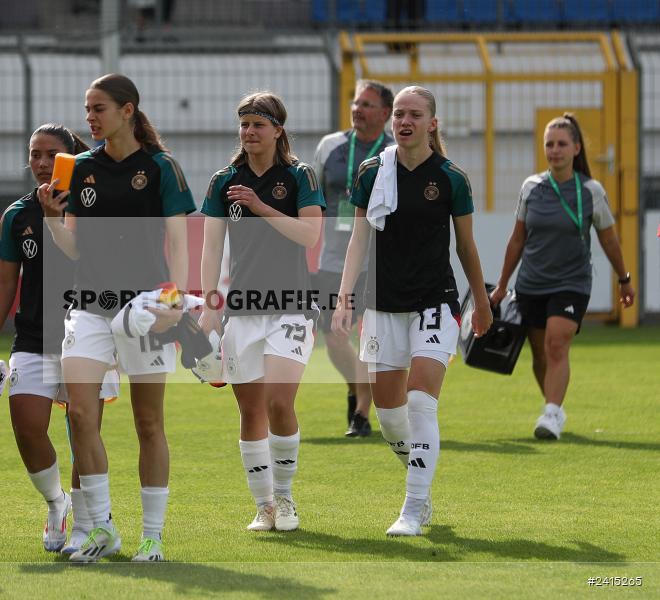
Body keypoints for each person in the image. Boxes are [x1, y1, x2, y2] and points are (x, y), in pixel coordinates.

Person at [39, 73, 193, 563]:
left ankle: (153, 537)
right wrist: (51, 218)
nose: (89, 117)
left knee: (148, 423)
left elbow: (179, 241)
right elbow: (74, 248)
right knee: (81, 414)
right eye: (87, 108)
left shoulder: (162, 167)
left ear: (128, 110)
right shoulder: (77, 168)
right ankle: (103, 528)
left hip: (147, 309)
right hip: (88, 307)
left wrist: (175, 301)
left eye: (98, 108)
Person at [332, 85, 492, 537]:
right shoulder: (371, 172)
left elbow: (466, 247)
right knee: (389, 417)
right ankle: (420, 476)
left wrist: (481, 303)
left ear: (432, 123)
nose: (404, 121)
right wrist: (344, 298)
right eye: (399, 114)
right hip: (382, 305)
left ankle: (414, 506)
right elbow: (357, 240)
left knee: (421, 401)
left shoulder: (452, 178)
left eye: (415, 115)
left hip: (435, 302)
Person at [0, 123, 120, 556]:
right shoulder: (16, 214)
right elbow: (6, 283)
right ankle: (56, 503)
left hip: (89, 334)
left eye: (51, 155)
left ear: (70, 159)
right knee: (27, 427)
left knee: (83, 431)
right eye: (34, 154)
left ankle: (86, 525)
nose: (41, 163)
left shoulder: (94, 206)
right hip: (33, 337)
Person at [199, 92, 325, 533]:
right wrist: (210, 306)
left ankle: (286, 497)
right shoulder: (223, 181)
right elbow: (211, 248)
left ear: (277, 130)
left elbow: (310, 236)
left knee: (278, 402)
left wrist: (261, 206)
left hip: (292, 308)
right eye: (244, 124)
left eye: (258, 124)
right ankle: (264, 506)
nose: (249, 132)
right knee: (250, 411)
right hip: (242, 312)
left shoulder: (300, 175)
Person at [490, 113, 635, 440]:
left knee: (557, 345)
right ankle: (554, 407)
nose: (555, 150)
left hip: (572, 283)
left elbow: (609, 239)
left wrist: (624, 278)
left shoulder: (591, 191)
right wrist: (501, 285)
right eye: (549, 144)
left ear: (576, 148)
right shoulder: (531, 187)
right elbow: (517, 240)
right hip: (531, 284)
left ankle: (551, 414)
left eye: (562, 144)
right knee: (540, 355)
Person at [313, 79, 394, 437]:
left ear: (385, 113)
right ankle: (357, 388)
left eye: (366, 104)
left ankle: (361, 413)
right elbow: (313, 195)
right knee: (334, 335)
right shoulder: (330, 146)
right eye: (356, 103)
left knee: (371, 338)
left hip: (379, 262)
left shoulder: (393, 151)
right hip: (333, 259)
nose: (357, 109)